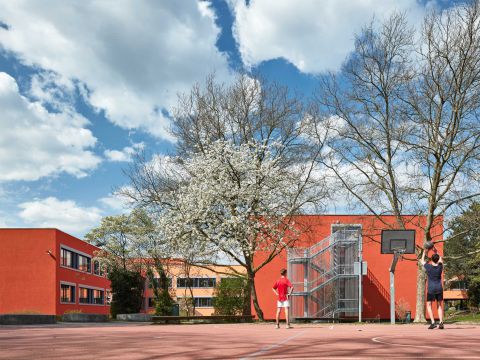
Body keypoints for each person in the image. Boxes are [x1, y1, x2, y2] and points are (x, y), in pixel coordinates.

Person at [421, 245, 444, 329]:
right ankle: (441, 322)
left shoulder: (428, 267)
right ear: (438, 260)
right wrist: (436, 251)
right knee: (439, 306)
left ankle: (433, 322)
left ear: (432, 260)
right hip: (439, 288)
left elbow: (422, 261)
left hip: (431, 289)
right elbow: (440, 259)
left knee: (429, 305)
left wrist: (424, 251)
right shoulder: (440, 266)